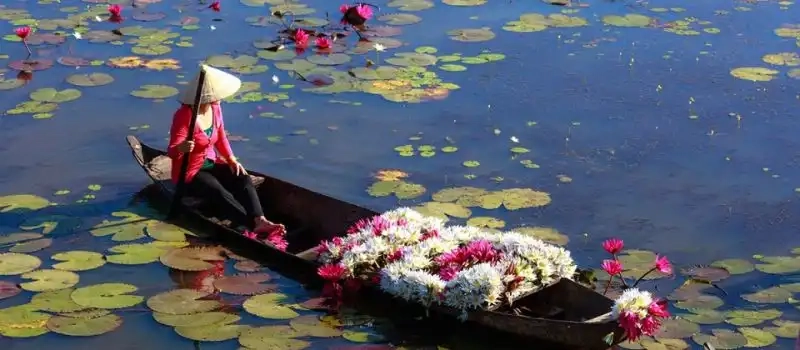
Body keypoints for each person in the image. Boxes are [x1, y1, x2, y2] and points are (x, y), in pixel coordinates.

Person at [167, 64, 285, 236]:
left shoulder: (215, 108)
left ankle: (260, 219)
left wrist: (231, 159)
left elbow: (221, 137)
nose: (219, 99)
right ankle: (251, 225)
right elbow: (172, 151)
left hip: (210, 162)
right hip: (189, 173)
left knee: (242, 178)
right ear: (206, 97)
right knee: (217, 191)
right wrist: (182, 148)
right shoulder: (184, 116)